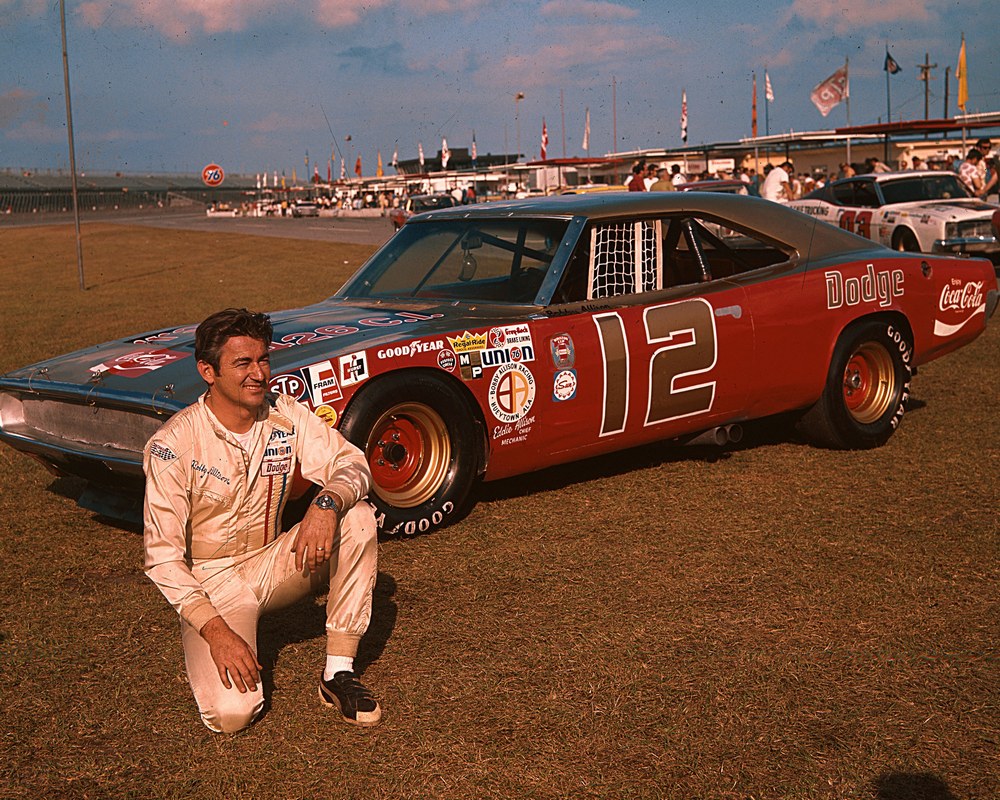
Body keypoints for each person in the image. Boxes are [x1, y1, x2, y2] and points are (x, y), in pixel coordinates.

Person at [142, 308, 381, 733]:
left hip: (272, 561)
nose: (258, 374)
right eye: (242, 363)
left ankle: (338, 672)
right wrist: (215, 631)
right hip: (212, 585)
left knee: (356, 516)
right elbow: (162, 557)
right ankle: (207, 632)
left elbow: (353, 463)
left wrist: (325, 505)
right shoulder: (172, 444)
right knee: (232, 715)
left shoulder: (284, 414)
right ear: (207, 371)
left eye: (263, 360)